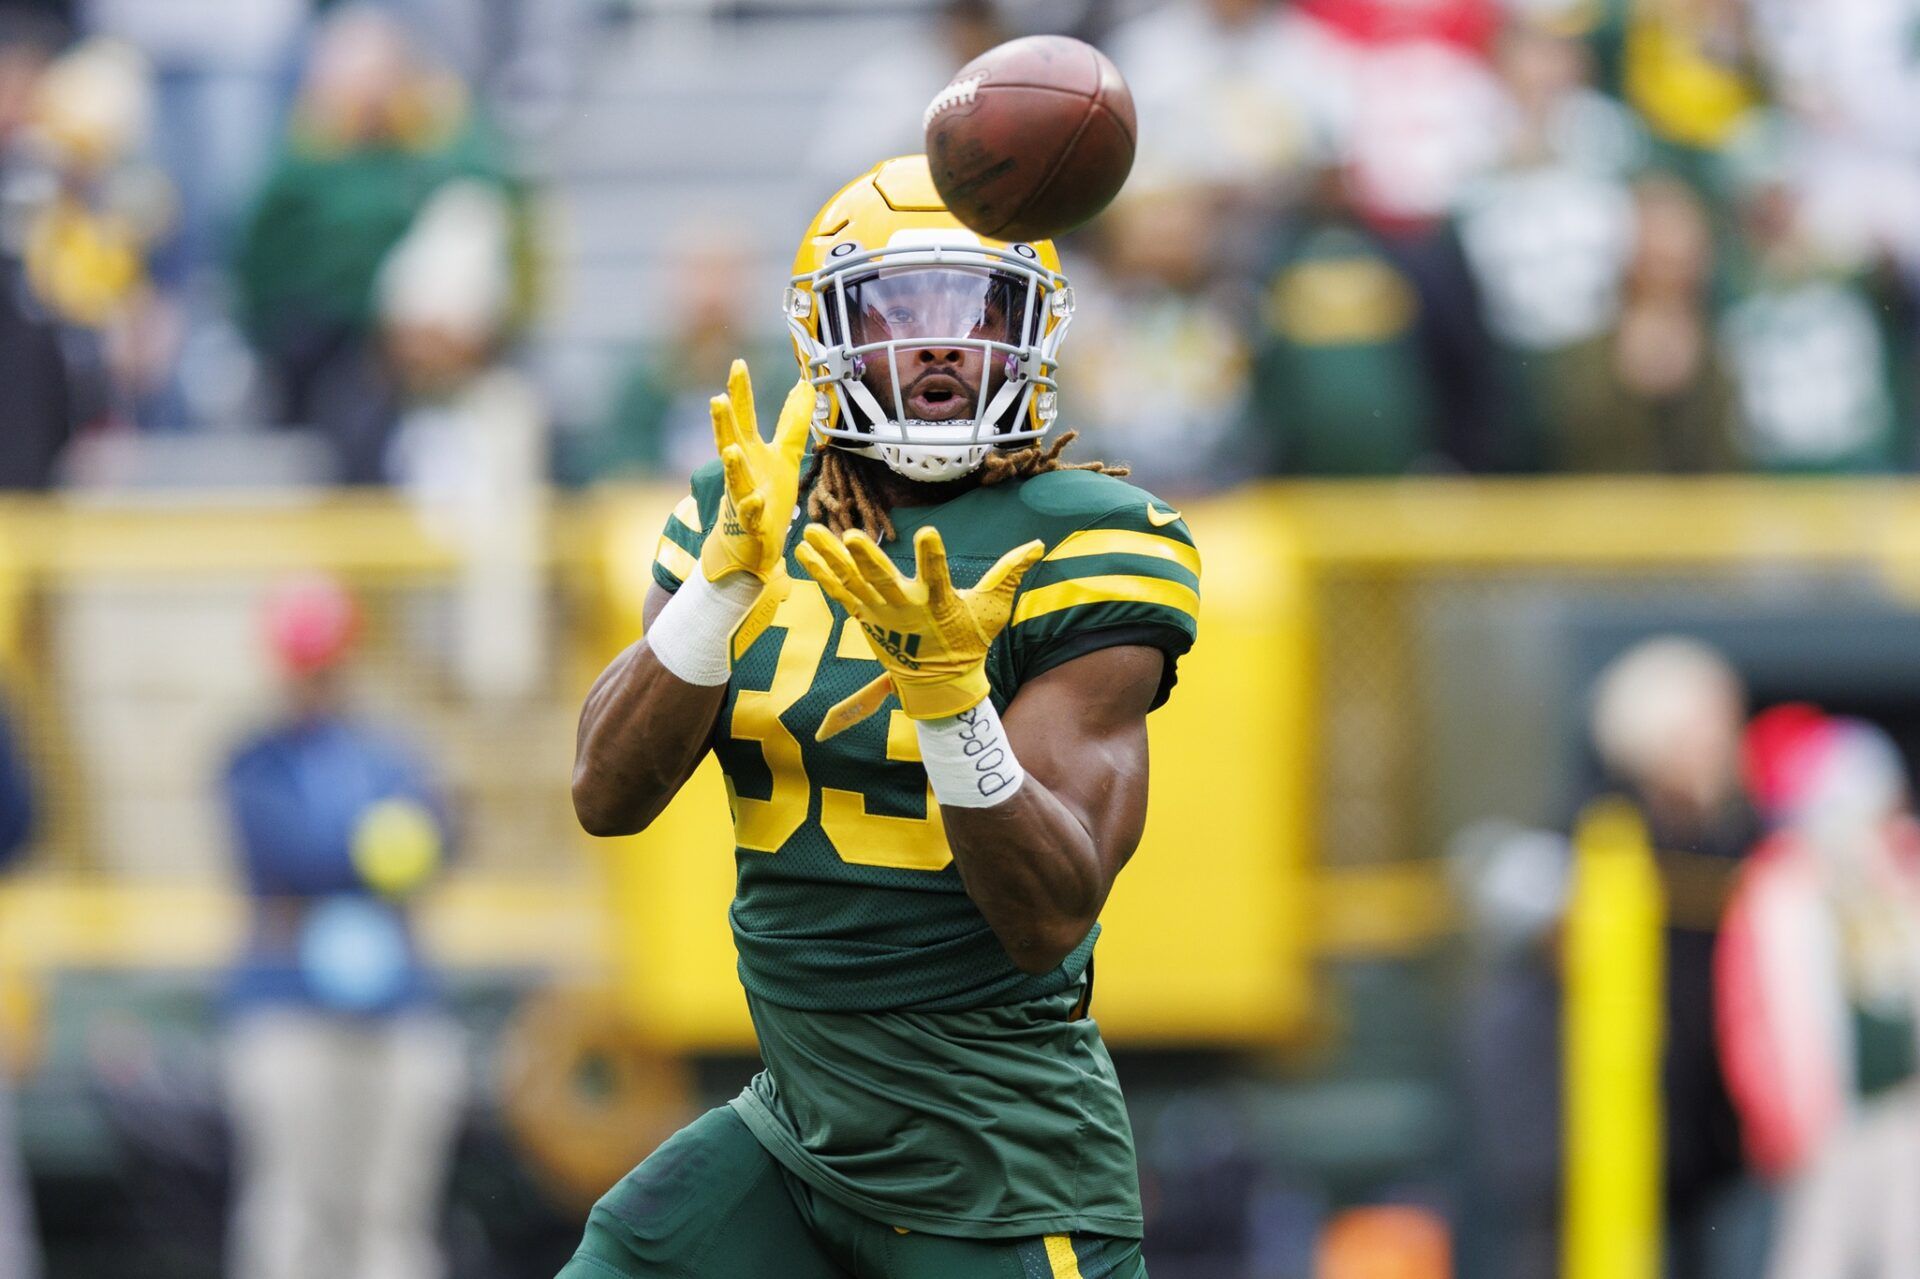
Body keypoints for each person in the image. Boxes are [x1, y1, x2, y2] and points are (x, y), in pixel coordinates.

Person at [563, 154, 1201, 1279]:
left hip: (996, 1161)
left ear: (1036, 331)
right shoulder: (747, 498)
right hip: (798, 1129)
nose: (947, 342)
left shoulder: (1094, 540)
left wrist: (955, 704)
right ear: (827, 334)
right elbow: (606, 798)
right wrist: (716, 594)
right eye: (906, 309)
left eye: (981, 308)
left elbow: (1048, 913)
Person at [221, 574, 465, 1279]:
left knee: (391, 1216)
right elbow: (289, 851)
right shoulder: (252, 760)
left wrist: (376, 850)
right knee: (292, 1212)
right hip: (289, 1010)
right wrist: (373, 849)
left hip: (395, 1008)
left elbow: (441, 838)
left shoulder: (388, 751)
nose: (316, 682)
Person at [1717, 706, 1920, 1279]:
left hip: (1905, 1114)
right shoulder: (1782, 892)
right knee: (1819, 1256)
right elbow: (1755, 1020)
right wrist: (1780, 1117)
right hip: (1825, 1126)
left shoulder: (1901, 879)